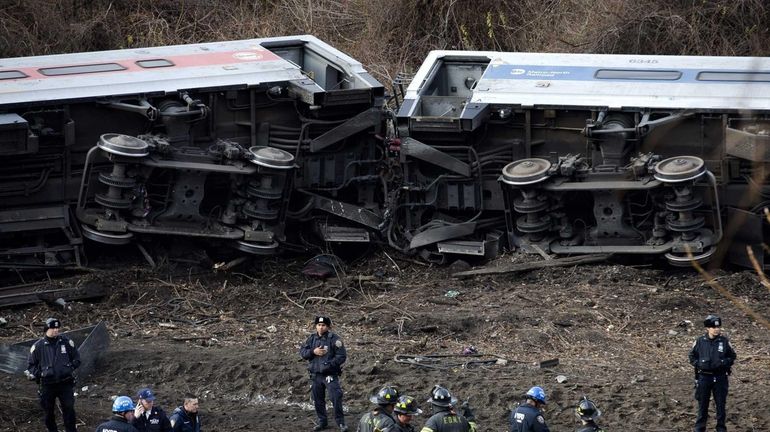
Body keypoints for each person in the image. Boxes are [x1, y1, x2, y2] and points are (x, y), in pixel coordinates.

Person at [25, 317, 81, 432]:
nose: (56, 330)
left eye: (57, 328)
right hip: (47, 385)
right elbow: (31, 366)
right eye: (52, 328)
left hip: (65, 383)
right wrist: (41, 373)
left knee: (69, 409)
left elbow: (77, 359)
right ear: (46, 329)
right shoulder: (38, 347)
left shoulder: (66, 342)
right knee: (48, 412)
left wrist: (69, 368)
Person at [689, 314, 736, 432]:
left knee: (720, 405)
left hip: (720, 377)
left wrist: (723, 362)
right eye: (713, 327)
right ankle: (700, 429)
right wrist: (698, 363)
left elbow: (732, 356)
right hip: (704, 377)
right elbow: (691, 356)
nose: (716, 329)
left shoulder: (724, 341)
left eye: (718, 327)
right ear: (707, 328)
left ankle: (721, 428)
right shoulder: (700, 341)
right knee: (702, 405)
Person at [299, 315, 348, 431]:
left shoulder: (334, 339)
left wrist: (328, 365)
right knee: (318, 399)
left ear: (328, 327)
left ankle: (341, 423)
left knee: (336, 397)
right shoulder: (311, 339)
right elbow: (303, 352)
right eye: (319, 325)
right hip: (315, 375)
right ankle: (322, 422)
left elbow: (341, 356)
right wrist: (313, 351)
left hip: (329, 375)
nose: (321, 328)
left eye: (323, 325)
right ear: (316, 326)